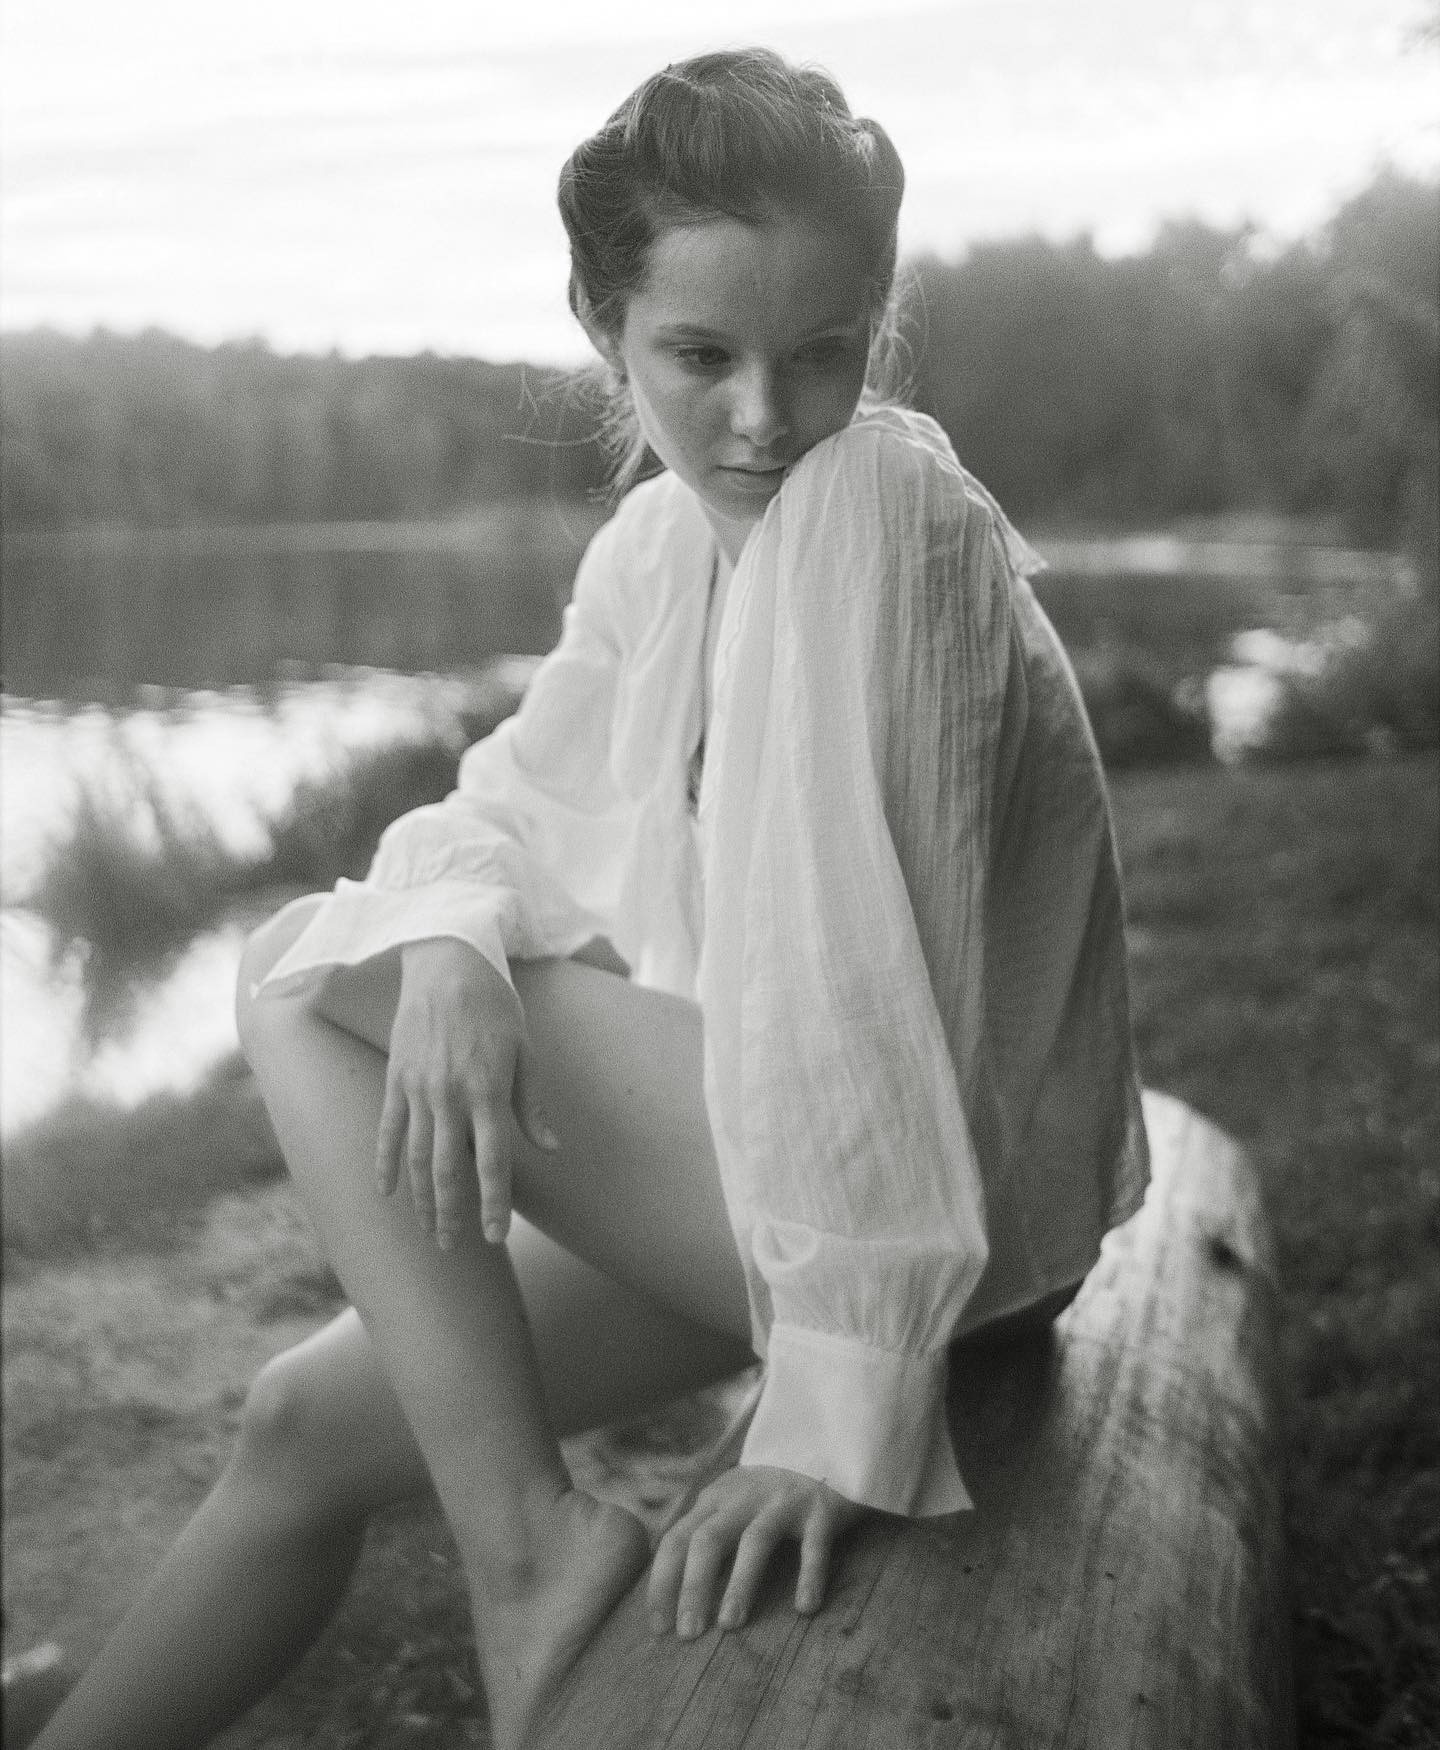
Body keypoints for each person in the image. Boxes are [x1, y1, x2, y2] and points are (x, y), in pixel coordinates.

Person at [27, 47, 1149, 1750]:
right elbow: (500, 811)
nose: (764, 414)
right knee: (297, 1426)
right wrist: (454, 938)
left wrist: (837, 1404)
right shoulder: (658, 547)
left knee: (291, 972)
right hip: (789, 1182)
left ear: (875, 324)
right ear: (601, 324)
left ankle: (529, 1553)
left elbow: (877, 975)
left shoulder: (883, 511)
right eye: (702, 357)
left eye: (821, 351)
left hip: (940, 1221)